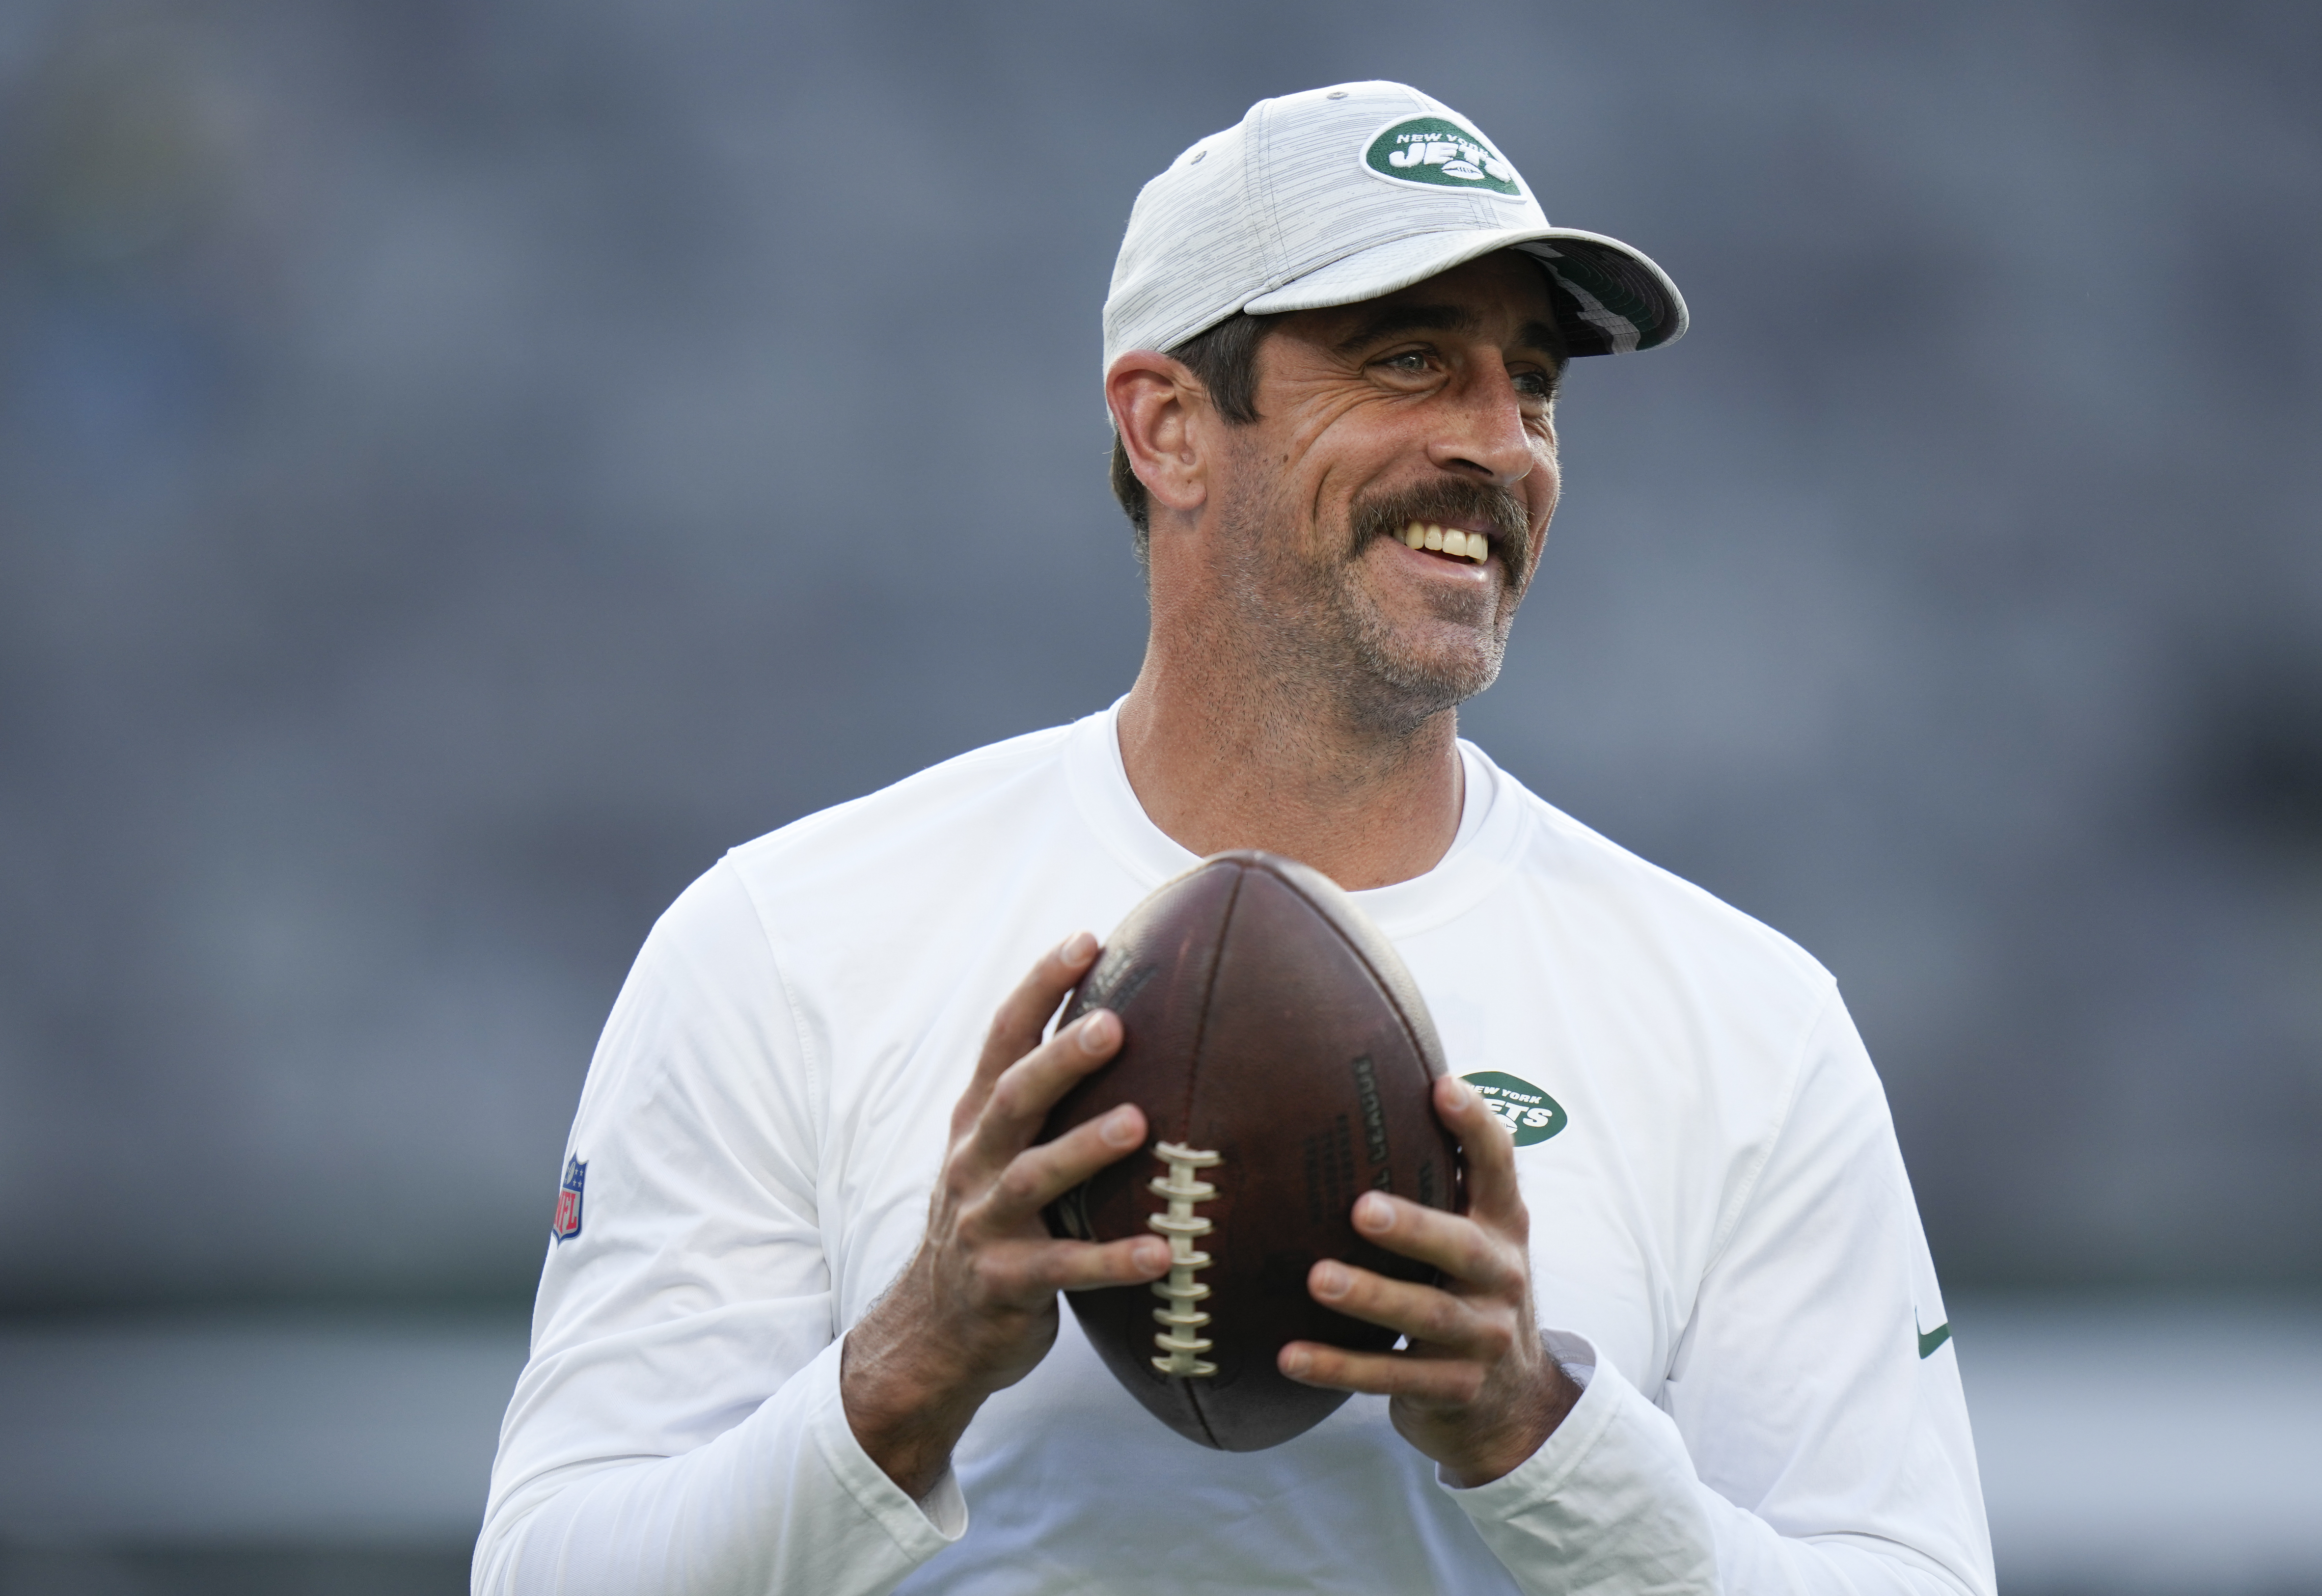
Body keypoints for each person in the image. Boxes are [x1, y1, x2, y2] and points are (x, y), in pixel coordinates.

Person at [473, 81, 1996, 1596]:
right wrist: (910, 1362)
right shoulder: (788, 943)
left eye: (1532, 383)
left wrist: (1543, 1435)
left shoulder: (1745, 1021)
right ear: (1168, 426)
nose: (1500, 445)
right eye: (1409, 361)